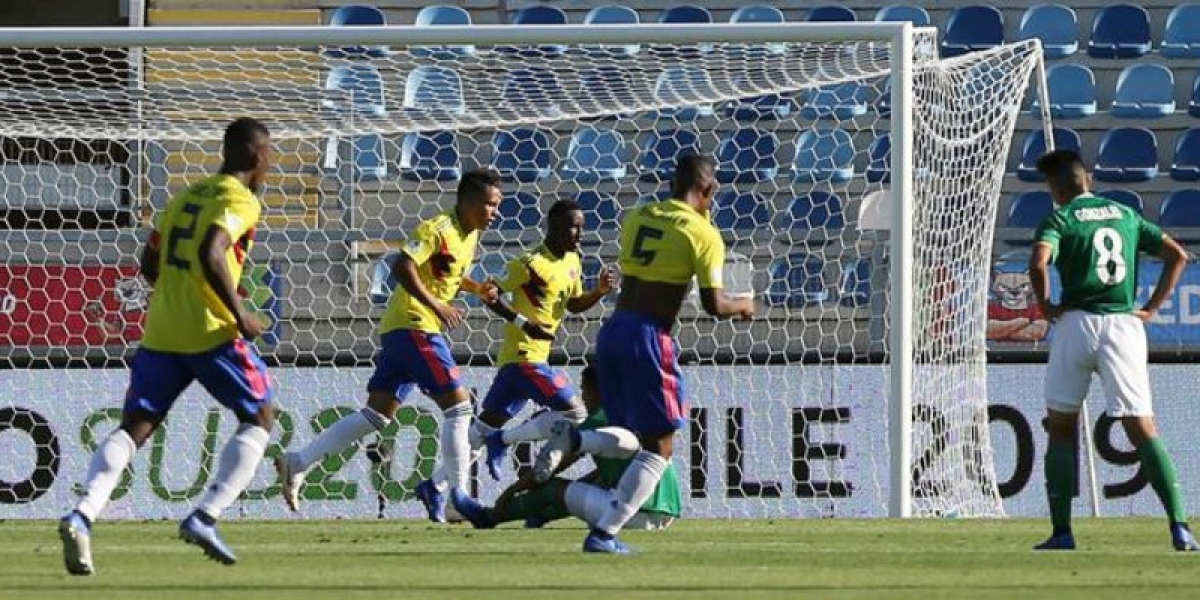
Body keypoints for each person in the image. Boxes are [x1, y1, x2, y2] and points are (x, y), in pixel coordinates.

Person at [59, 117, 278, 574]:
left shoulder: (184, 196)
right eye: (270, 157)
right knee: (260, 416)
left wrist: (177, 293)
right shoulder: (241, 200)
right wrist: (240, 314)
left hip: (160, 331)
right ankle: (205, 514)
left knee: (136, 426)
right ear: (257, 157)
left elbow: (149, 261)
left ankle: (83, 514)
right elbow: (212, 251)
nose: (271, 166)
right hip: (211, 331)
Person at [536, 154, 754, 553]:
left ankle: (579, 441)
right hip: (649, 337)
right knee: (661, 446)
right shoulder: (704, 234)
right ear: (707, 191)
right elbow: (713, 304)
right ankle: (604, 534)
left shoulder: (638, 215)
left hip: (614, 330)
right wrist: (744, 305)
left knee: (633, 436)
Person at [276, 168, 502, 522]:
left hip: (402, 329)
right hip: (415, 325)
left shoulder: (468, 236)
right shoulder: (437, 229)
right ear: (468, 201)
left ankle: (297, 462)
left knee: (377, 415)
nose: (494, 212)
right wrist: (437, 305)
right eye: (490, 204)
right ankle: (458, 499)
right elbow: (402, 267)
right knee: (459, 408)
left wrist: (476, 289)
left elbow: (446, 275)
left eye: (497, 205)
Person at [1028, 149, 1198, 551]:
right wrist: (1152, 309)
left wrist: (1047, 305)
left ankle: (1063, 533)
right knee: (1142, 427)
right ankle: (1180, 528)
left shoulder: (1060, 218)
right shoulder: (1125, 215)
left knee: (1062, 427)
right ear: (1086, 178)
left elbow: (1037, 264)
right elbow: (1178, 255)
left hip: (1077, 323)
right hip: (1124, 325)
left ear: (1055, 189)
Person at [470, 199, 615, 482]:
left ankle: (438, 487)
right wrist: (524, 323)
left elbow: (572, 304)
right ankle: (505, 440)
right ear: (556, 228)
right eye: (575, 227)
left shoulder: (573, 260)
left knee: (482, 428)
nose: (581, 234)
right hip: (526, 357)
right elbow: (489, 293)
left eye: (583, 227)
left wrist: (598, 292)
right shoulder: (530, 264)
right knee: (576, 414)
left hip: (525, 361)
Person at [452, 365, 681, 530]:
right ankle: (539, 517)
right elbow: (608, 473)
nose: (583, 398)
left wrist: (510, 492)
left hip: (634, 515)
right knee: (590, 483)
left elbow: (550, 468)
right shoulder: (634, 414)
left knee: (552, 488)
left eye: (584, 391)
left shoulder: (599, 419)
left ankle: (489, 517)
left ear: (596, 392)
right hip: (665, 514)